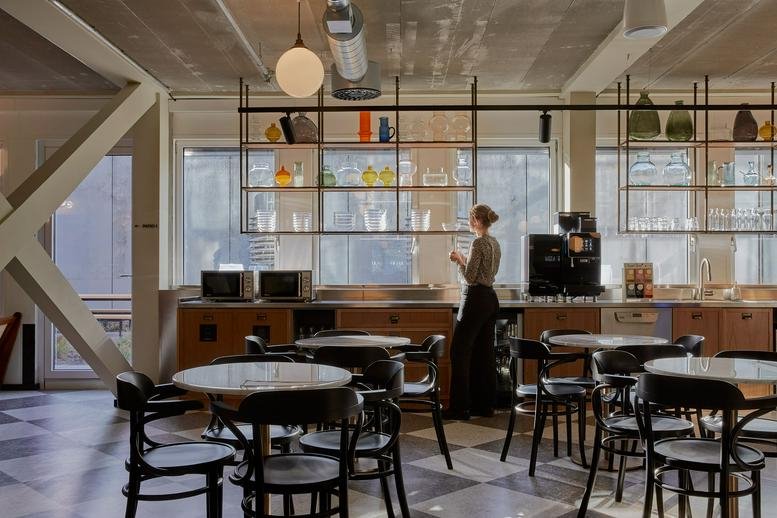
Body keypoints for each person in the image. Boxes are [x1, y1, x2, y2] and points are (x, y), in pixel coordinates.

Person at [443, 204, 501, 420]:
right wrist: (465, 261)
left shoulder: (478, 242)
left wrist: (459, 261)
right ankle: (484, 406)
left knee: (459, 351)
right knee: (484, 353)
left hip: (475, 299)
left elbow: (469, 277)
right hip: (490, 299)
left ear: (476, 220)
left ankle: (459, 408)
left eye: (470, 219)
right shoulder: (494, 242)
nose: (469, 222)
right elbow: (484, 273)